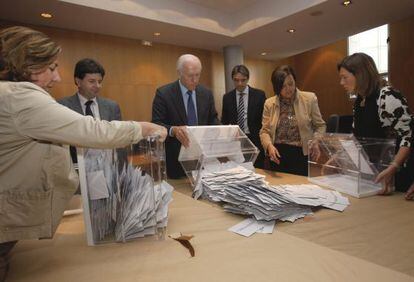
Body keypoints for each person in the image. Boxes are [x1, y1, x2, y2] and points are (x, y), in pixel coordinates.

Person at [0, 26, 166, 281]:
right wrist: (143, 128)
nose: (56, 78)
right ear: (29, 65)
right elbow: (92, 131)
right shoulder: (19, 97)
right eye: (51, 67)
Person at [338, 52, 414, 197]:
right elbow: (357, 137)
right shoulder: (360, 101)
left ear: (360, 75)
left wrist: (393, 167)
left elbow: (408, 136)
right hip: (377, 175)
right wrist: (338, 156)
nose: (341, 82)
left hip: (398, 174)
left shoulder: (387, 96)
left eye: (344, 77)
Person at [152, 54, 219, 179]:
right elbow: (156, 124)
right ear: (179, 73)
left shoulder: (206, 93)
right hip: (176, 162)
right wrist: (173, 130)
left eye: (198, 75)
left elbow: (213, 119)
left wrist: (226, 129)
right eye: (190, 76)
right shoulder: (164, 94)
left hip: (203, 159)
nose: (195, 80)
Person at [260, 65, 326, 176]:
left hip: (301, 154)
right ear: (277, 87)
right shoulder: (269, 103)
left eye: (290, 84)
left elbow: (320, 126)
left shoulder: (309, 99)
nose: (288, 89)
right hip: (278, 154)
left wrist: (316, 140)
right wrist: (269, 146)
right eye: (283, 86)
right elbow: (264, 131)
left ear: (295, 81)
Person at [59, 58, 122, 164]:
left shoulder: (112, 107)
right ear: (78, 81)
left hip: (107, 170)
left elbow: (119, 142)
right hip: (76, 172)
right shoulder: (63, 106)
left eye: (100, 81)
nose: (97, 86)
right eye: (92, 81)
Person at [221, 65, 266, 168]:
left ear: (248, 79)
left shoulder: (259, 95)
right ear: (232, 79)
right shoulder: (227, 98)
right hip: (235, 142)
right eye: (236, 80)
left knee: (257, 170)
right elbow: (224, 121)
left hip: (254, 140)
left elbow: (264, 120)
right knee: (237, 170)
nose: (240, 83)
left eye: (243, 80)